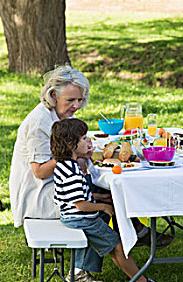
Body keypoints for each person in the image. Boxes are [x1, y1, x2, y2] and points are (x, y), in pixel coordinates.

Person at [8, 65, 171, 282]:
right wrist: (71, 154)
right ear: (53, 95)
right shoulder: (40, 122)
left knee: (107, 190)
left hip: (57, 184)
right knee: (99, 202)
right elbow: (38, 171)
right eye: (71, 100)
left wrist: (84, 154)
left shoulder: (57, 114)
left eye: (80, 100)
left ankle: (135, 232)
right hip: (40, 194)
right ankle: (81, 270)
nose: (77, 106)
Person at [51, 118, 156, 282]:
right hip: (81, 219)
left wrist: (99, 197)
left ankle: (80, 272)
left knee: (113, 238)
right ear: (72, 145)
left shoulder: (64, 165)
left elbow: (78, 195)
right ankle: (141, 280)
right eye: (84, 138)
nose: (89, 140)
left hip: (74, 216)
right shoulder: (72, 172)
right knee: (117, 246)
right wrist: (102, 207)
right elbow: (80, 205)